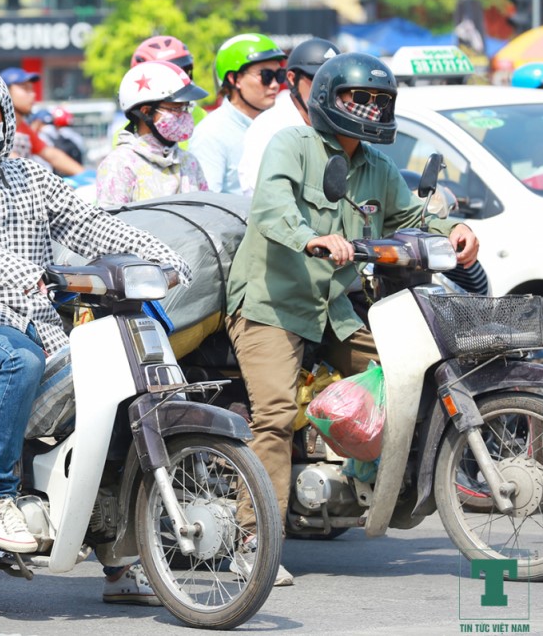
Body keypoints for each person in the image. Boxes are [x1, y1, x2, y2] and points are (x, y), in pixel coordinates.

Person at [0, 63, 191, 606]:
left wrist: (157, 256)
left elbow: (89, 223)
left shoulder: (33, 175)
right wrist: (22, 271)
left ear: (6, 118)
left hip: (39, 319)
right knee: (21, 363)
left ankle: (119, 561)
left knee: (112, 404)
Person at [224, 52, 480, 587]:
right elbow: (271, 208)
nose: (368, 109)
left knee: (409, 371)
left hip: (335, 310)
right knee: (271, 415)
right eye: (356, 98)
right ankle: (253, 540)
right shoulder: (291, 145)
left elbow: (412, 214)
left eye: (378, 101)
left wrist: (453, 229)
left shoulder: (376, 167)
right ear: (326, 99)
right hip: (273, 304)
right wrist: (310, 237)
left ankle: (360, 481)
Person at [96, 60, 208, 206]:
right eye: (175, 109)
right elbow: (110, 225)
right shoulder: (120, 165)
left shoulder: (189, 162)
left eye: (185, 108)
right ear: (146, 112)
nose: (184, 116)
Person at [237, 38, 341, 196]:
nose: (327, 89)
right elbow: (263, 197)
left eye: (335, 82)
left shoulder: (341, 123)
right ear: (292, 78)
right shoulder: (269, 128)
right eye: (318, 79)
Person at [187, 33, 286, 194]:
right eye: (266, 76)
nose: (275, 84)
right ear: (234, 79)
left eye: (279, 75)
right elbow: (206, 206)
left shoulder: (280, 125)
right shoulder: (210, 134)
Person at [0, 66, 85, 176]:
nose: (33, 94)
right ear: (6, 91)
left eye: (32, 89)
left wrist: (85, 174)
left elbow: (52, 155)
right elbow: (10, 157)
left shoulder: (24, 128)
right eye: (25, 88)